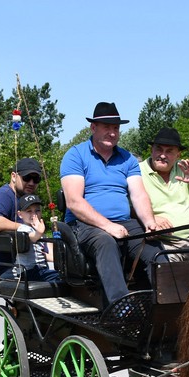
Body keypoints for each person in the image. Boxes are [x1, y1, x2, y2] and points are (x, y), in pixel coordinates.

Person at [61, 102, 163, 306]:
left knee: (155, 249)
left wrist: (149, 222)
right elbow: (74, 201)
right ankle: (120, 308)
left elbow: (139, 195)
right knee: (106, 241)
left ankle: (168, 303)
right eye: (107, 127)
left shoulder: (127, 159)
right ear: (93, 128)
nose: (112, 132)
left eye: (116, 128)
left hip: (124, 222)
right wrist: (108, 226)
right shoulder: (75, 155)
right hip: (84, 225)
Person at [139, 127, 189, 261]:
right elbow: (127, 209)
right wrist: (151, 219)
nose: (162, 155)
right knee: (167, 274)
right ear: (152, 150)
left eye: (169, 151)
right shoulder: (137, 171)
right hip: (163, 244)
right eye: (159, 149)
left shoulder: (184, 168)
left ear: (178, 155)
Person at [0, 157, 43, 276]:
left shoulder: (27, 200)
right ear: (14, 176)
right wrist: (23, 228)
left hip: (30, 265)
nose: (31, 183)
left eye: (36, 179)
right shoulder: (4, 196)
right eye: (26, 178)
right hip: (9, 267)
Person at [1, 194, 63, 284]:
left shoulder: (39, 230)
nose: (34, 215)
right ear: (20, 214)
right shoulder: (23, 229)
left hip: (41, 270)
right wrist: (39, 233)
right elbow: (32, 238)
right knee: (59, 277)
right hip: (28, 271)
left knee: (65, 275)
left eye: (37, 210)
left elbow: (48, 254)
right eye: (29, 211)